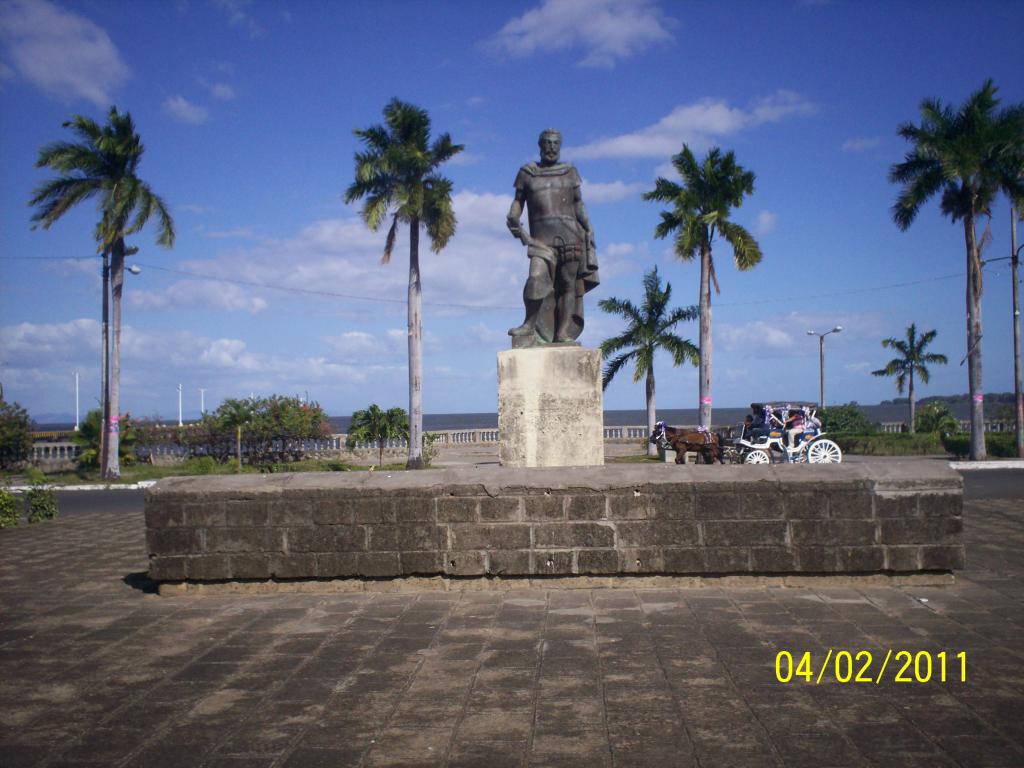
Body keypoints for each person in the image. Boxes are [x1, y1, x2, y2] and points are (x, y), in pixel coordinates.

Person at [506, 129, 599, 345]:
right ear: (540, 145)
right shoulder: (527, 173)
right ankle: (529, 325)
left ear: (560, 146)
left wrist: (588, 227)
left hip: (570, 235)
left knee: (567, 285)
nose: (551, 147)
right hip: (540, 240)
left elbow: (578, 203)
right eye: (547, 143)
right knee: (536, 278)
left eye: (555, 144)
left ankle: (563, 333)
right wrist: (513, 214)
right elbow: (518, 200)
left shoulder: (569, 172)